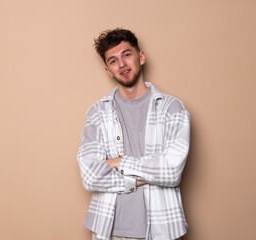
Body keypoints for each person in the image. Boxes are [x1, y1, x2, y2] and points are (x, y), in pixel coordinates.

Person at [77, 28, 190, 240]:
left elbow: (171, 172)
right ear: (108, 70)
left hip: (162, 228)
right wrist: (146, 176)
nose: (121, 65)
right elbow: (90, 176)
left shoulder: (172, 109)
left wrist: (119, 161)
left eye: (126, 55)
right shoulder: (96, 114)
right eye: (113, 61)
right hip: (108, 230)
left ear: (141, 57)